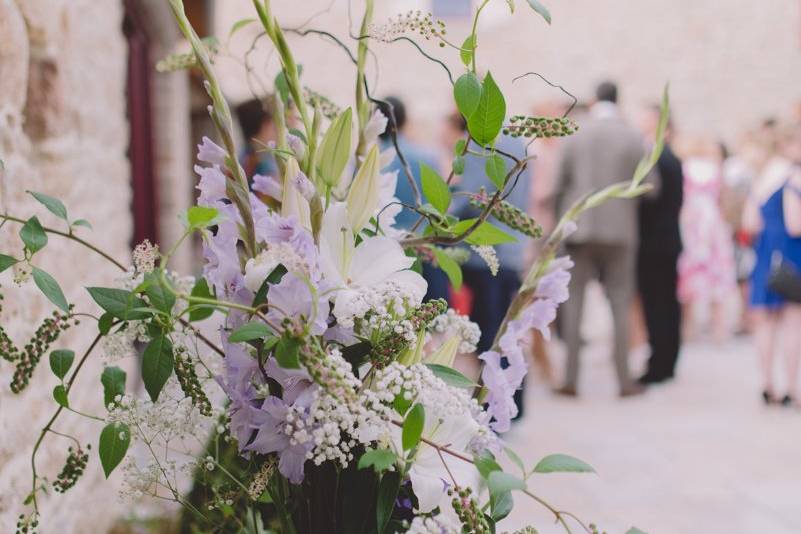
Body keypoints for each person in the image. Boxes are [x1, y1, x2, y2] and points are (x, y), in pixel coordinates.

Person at [552, 81, 653, 398]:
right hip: (621, 231)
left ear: (595, 100)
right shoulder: (633, 136)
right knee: (621, 303)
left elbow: (558, 183)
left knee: (574, 303)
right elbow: (651, 185)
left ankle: (570, 379)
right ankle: (624, 380)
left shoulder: (576, 133)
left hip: (579, 227)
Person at [445, 111, 533, 417]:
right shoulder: (518, 141)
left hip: (486, 252)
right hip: (512, 248)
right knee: (507, 330)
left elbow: (472, 198)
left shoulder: (484, 143)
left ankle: (497, 407)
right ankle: (512, 403)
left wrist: (441, 223)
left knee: (490, 332)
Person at [743, 125, 801, 406]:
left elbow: (750, 223)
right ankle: (791, 388)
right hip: (791, 256)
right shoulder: (794, 177)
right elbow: (795, 224)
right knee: (792, 324)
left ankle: (767, 385)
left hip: (766, 256)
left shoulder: (762, 179)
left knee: (765, 323)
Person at [377, 96, 450, 302]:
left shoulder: (367, 161)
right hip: (424, 247)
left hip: (384, 252)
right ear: (404, 120)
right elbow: (440, 206)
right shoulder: (427, 158)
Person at [636, 105, 684, 384]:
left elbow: (651, 202)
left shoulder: (657, 157)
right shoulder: (671, 157)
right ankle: (667, 360)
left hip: (654, 244)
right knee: (667, 304)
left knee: (657, 305)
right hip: (667, 241)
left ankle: (659, 364)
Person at [676, 137, 737, 341]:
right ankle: (719, 331)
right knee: (716, 279)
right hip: (711, 227)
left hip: (693, 226)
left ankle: (689, 330)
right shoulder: (715, 170)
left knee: (690, 277)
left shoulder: (687, 169)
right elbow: (724, 199)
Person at [235, 97, 278, 180]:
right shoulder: (262, 165)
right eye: (273, 127)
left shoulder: (242, 157)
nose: (275, 133)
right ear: (264, 125)